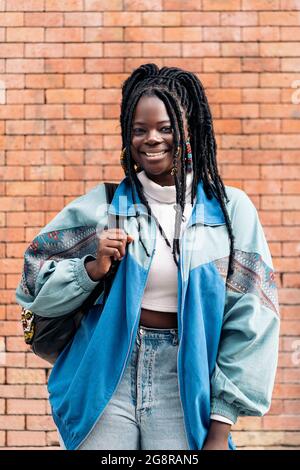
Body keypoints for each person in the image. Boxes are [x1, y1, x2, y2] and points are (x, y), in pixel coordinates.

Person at [15, 63, 280, 450]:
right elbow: (32, 281)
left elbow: (252, 316)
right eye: (139, 130)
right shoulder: (103, 207)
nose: (151, 139)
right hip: (108, 375)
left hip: (184, 379)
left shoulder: (229, 211)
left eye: (165, 128)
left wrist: (221, 426)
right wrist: (91, 269)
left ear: (189, 130)